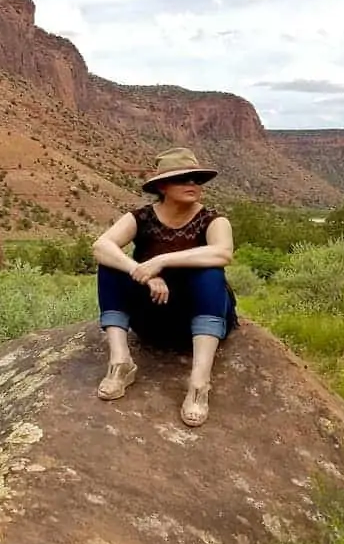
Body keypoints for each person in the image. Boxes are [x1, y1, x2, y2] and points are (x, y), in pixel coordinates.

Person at [91, 147, 237, 428]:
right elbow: (101, 246)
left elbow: (223, 253)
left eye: (196, 179)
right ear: (162, 186)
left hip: (197, 315)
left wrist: (161, 260)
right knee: (110, 265)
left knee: (210, 273)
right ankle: (121, 362)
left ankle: (199, 383)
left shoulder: (213, 220)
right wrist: (140, 271)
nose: (193, 185)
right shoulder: (141, 217)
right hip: (154, 314)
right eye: (184, 179)